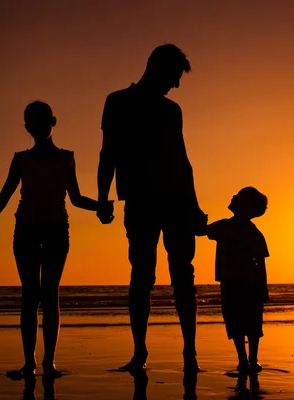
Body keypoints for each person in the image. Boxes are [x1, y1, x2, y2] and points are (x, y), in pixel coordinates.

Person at [0, 101, 110, 377]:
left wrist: (101, 206)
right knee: (30, 296)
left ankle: (48, 362)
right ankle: (29, 362)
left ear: (52, 122)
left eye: (43, 121)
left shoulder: (67, 157)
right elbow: (3, 198)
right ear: (27, 128)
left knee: (51, 294)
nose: (38, 127)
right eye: (32, 123)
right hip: (27, 230)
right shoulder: (21, 159)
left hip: (57, 230)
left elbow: (76, 199)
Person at [97, 44, 207, 372]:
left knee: (182, 275)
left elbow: (182, 161)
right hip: (141, 200)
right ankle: (140, 352)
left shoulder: (172, 111)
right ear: (156, 67)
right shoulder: (117, 102)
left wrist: (195, 206)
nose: (177, 85)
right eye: (174, 76)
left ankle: (190, 353)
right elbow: (108, 153)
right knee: (143, 275)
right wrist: (103, 197)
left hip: (176, 200)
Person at [204, 187, 269, 374]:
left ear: (245, 206)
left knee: (248, 322)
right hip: (234, 283)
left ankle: (250, 359)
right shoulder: (225, 226)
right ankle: (245, 359)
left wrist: (263, 288)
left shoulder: (245, 231)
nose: (233, 196)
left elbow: (261, 262)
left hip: (245, 283)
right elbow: (202, 230)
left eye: (238, 196)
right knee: (238, 322)